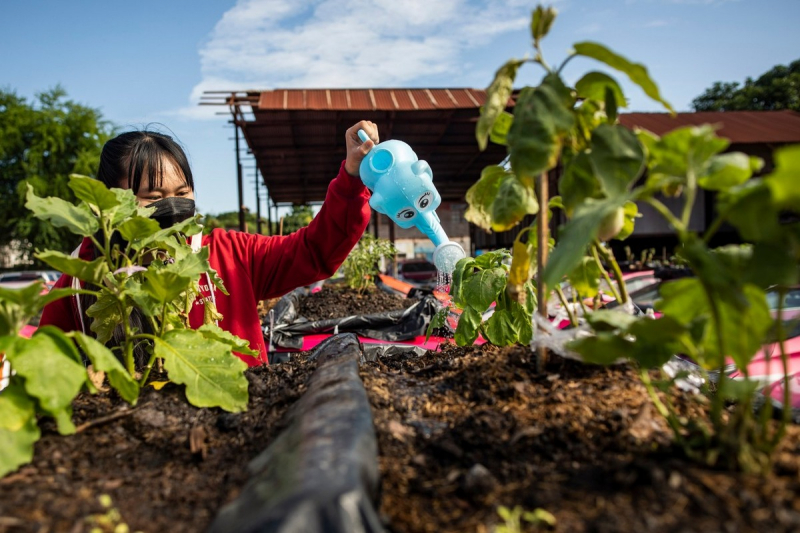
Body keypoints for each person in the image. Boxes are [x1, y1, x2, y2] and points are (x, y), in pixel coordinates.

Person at [39, 121, 379, 367]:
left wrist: (350, 178)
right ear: (114, 201)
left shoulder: (230, 254)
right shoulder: (83, 279)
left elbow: (313, 251)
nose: (172, 207)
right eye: (153, 197)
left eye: (182, 194)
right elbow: (46, 367)